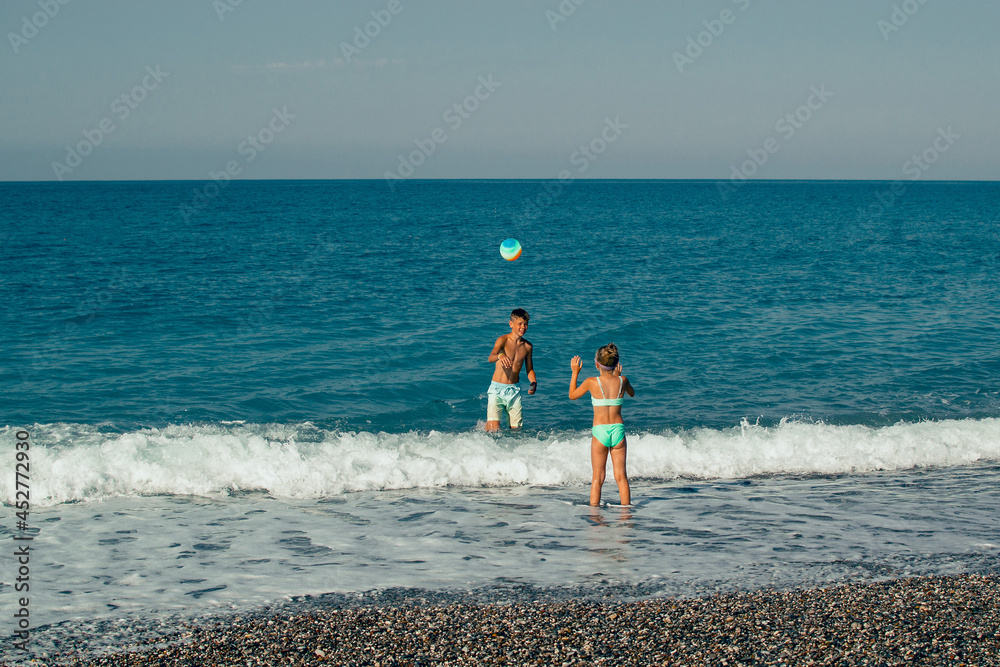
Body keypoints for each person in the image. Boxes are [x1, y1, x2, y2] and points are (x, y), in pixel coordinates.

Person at [569, 343, 635, 506]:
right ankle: (626, 514)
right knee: (621, 477)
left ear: (596, 363)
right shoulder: (622, 380)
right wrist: (620, 376)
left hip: (600, 432)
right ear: (615, 363)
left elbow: (572, 395)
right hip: (618, 430)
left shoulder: (591, 382)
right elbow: (632, 394)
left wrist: (575, 373)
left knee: (598, 478)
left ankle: (595, 517)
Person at [485, 308, 537, 431]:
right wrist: (500, 355)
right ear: (511, 324)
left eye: (525, 324)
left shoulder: (528, 346)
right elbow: (490, 358)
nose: (523, 327)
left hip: (514, 391)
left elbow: (529, 369)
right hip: (496, 389)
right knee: (493, 430)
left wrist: (533, 382)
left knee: (516, 431)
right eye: (520, 324)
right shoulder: (502, 340)